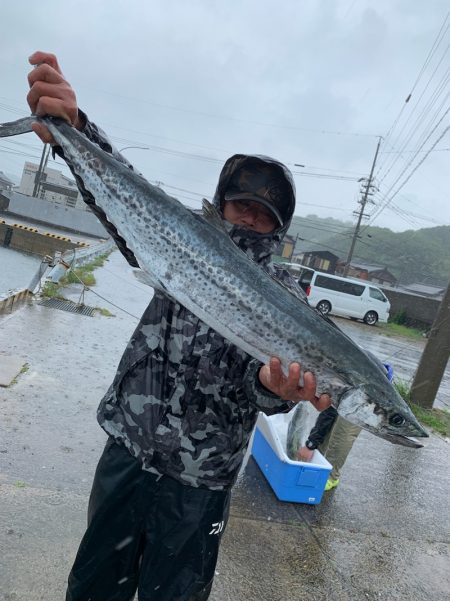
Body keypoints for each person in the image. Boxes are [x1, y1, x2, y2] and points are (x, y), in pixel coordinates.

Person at [27, 51, 331, 601]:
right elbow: (127, 199)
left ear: (280, 228)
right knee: (94, 588)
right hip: (129, 449)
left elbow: (265, 389)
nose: (251, 220)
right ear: (221, 205)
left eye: (266, 216)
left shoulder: (288, 295)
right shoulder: (178, 243)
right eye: (242, 206)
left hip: (200, 483)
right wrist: (78, 130)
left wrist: (272, 390)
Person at [298, 360, 394, 491]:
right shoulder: (330, 373)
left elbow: (328, 414)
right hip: (354, 380)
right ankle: (317, 464)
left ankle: (331, 476)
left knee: (343, 433)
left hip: (370, 393)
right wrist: (312, 445)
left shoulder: (336, 377)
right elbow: (328, 415)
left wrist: (310, 445)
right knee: (330, 423)